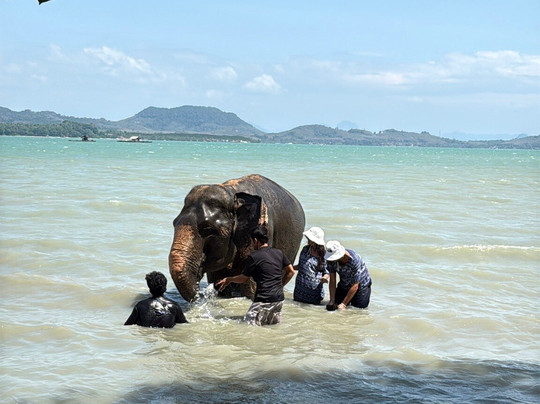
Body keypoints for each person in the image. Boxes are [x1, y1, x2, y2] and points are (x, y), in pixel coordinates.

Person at [215, 226, 295, 326]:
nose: (252, 245)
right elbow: (291, 272)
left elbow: (244, 279)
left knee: (248, 327)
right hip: (278, 299)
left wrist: (229, 279)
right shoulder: (279, 253)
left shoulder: (254, 256)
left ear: (256, 240)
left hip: (263, 300)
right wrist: (280, 286)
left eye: (252, 242)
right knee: (270, 327)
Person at [325, 240, 372, 310]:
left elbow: (355, 286)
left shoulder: (354, 260)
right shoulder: (330, 261)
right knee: (334, 306)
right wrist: (332, 300)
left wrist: (344, 304)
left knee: (357, 310)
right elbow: (332, 281)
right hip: (344, 283)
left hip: (361, 285)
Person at [293, 226, 329, 305]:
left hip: (314, 293)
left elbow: (327, 272)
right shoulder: (305, 249)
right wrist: (288, 267)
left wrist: (324, 278)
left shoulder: (324, 254)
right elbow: (300, 266)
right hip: (300, 290)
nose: (307, 240)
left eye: (309, 239)